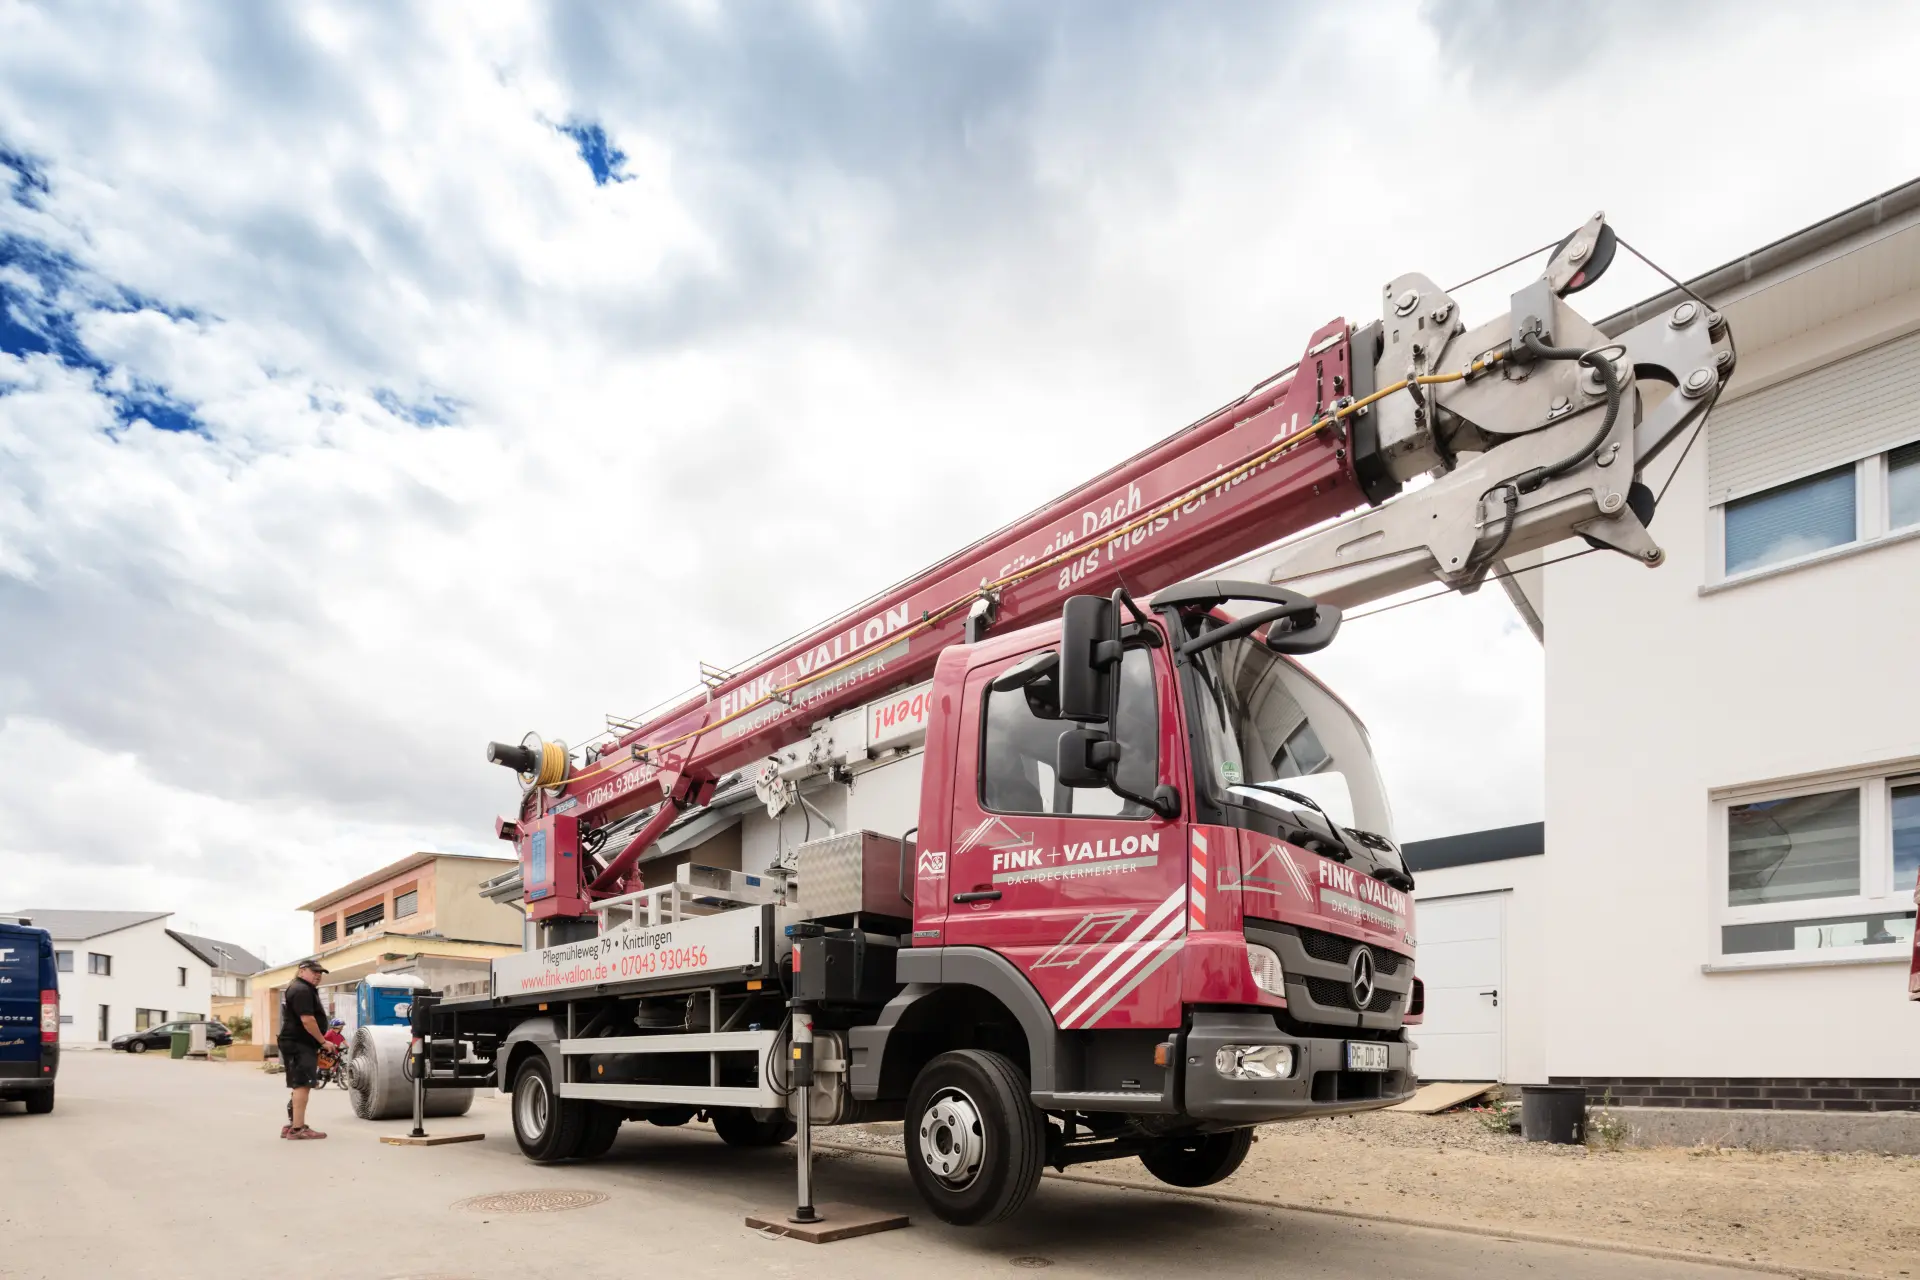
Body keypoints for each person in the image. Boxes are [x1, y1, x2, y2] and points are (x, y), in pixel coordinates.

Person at [278, 959, 331, 1140]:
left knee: (299, 1083)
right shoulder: (302, 990)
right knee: (302, 1084)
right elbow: (308, 1020)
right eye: (314, 971)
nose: (318, 975)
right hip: (299, 1043)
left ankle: (293, 1124)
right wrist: (323, 1041)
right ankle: (297, 1129)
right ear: (301, 972)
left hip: (297, 1042)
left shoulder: (301, 988)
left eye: (320, 972)